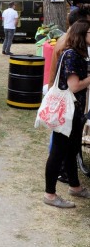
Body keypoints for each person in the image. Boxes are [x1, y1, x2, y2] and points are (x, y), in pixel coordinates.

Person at [43, 19, 90, 208]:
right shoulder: (72, 55)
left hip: (74, 112)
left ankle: (75, 187)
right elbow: (74, 85)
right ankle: (50, 194)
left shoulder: (77, 54)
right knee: (58, 152)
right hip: (67, 113)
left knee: (72, 150)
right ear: (82, 35)